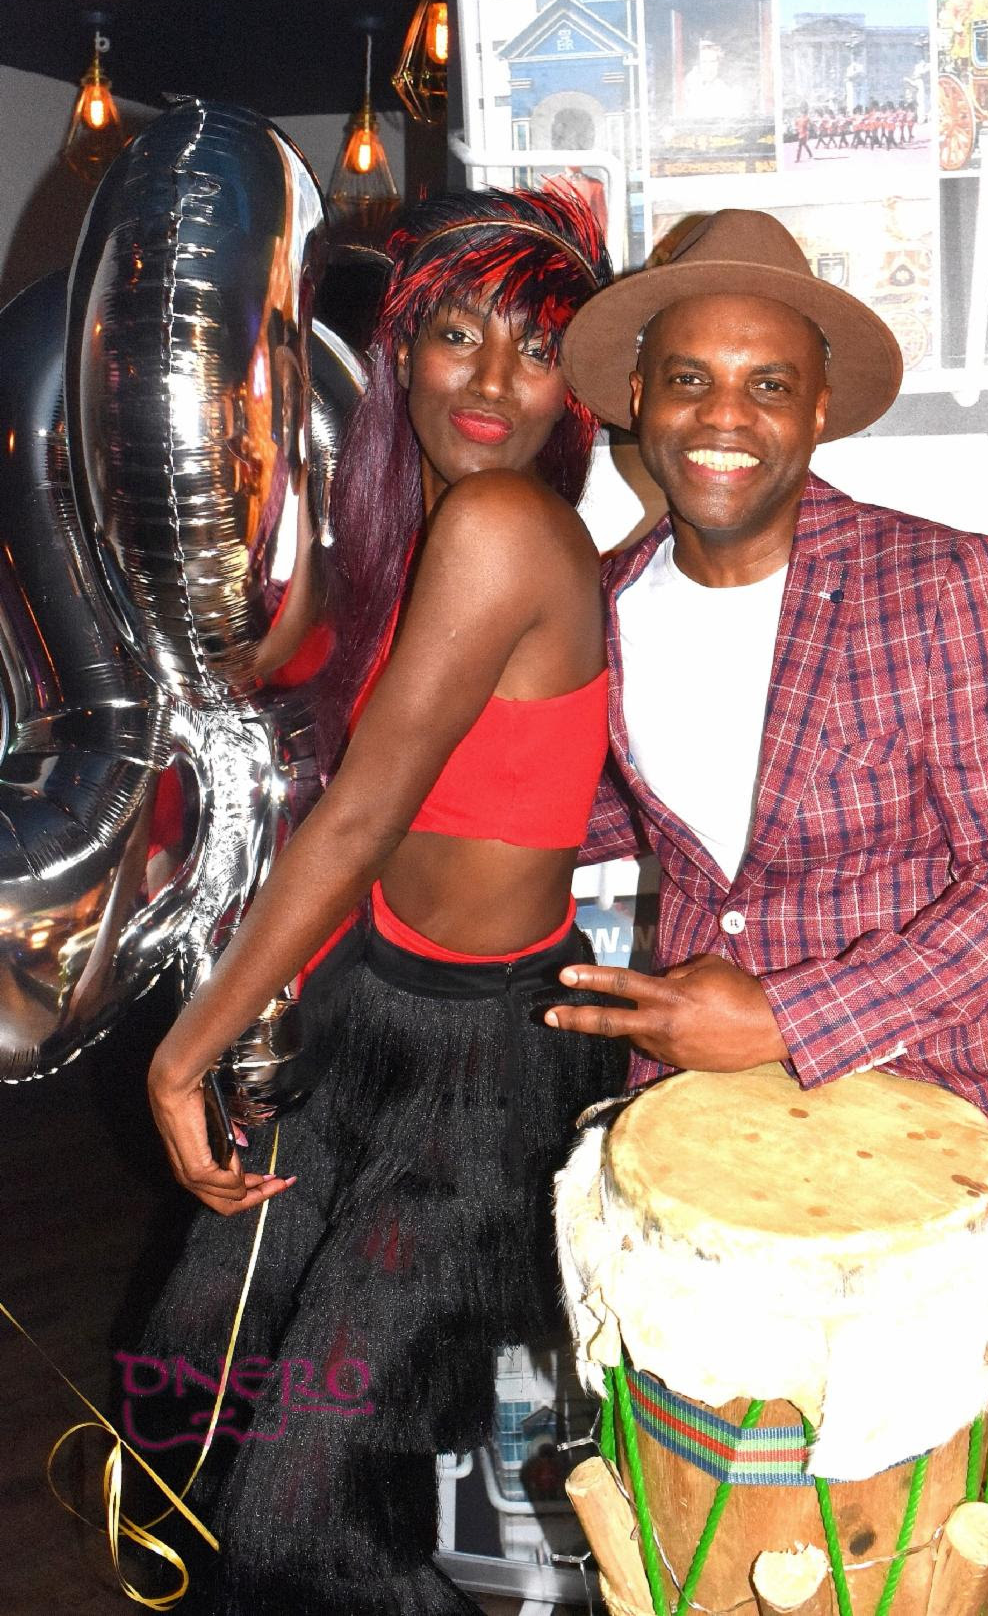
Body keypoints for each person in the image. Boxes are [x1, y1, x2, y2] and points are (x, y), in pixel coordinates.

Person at [547, 208, 988, 1615]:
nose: (723, 418)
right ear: (639, 398)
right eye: (690, 379)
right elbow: (611, 820)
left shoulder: (939, 582)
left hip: (927, 1154)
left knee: (928, 1559)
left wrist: (791, 1018)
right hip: (695, 1165)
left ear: (816, 410)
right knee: (717, 1551)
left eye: (767, 383)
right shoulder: (601, 606)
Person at [137, 188, 624, 1616]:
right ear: (401, 349)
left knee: (304, 1524)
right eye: (459, 334)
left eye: (537, 350)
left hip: (485, 1071)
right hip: (371, 1010)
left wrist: (180, 1057)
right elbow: (269, 694)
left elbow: (359, 819)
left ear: (575, 388)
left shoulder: (505, 525)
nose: (492, 380)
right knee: (189, 1367)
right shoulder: (411, 529)